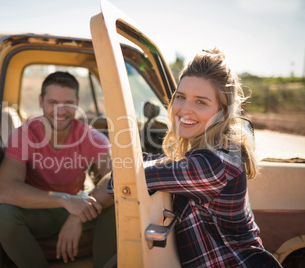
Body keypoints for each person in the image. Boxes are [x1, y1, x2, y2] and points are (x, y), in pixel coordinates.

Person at [108, 48, 282, 267]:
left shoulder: (214, 165)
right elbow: (161, 162)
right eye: (180, 97)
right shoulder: (215, 147)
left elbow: (124, 179)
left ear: (222, 111)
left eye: (201, 102)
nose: (184, 110)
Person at [0, 71, 116, 268]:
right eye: (53, 102)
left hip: (78, 206)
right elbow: (5, 191)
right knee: (3, 216)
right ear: (41, 101)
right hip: (40, 208)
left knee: (119, 205)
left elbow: (115, 179)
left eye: (67, 102)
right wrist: (65, 200)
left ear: (76, 103)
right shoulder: (24, 135)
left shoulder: (92, 137)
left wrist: (77, 213)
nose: (60, 110)